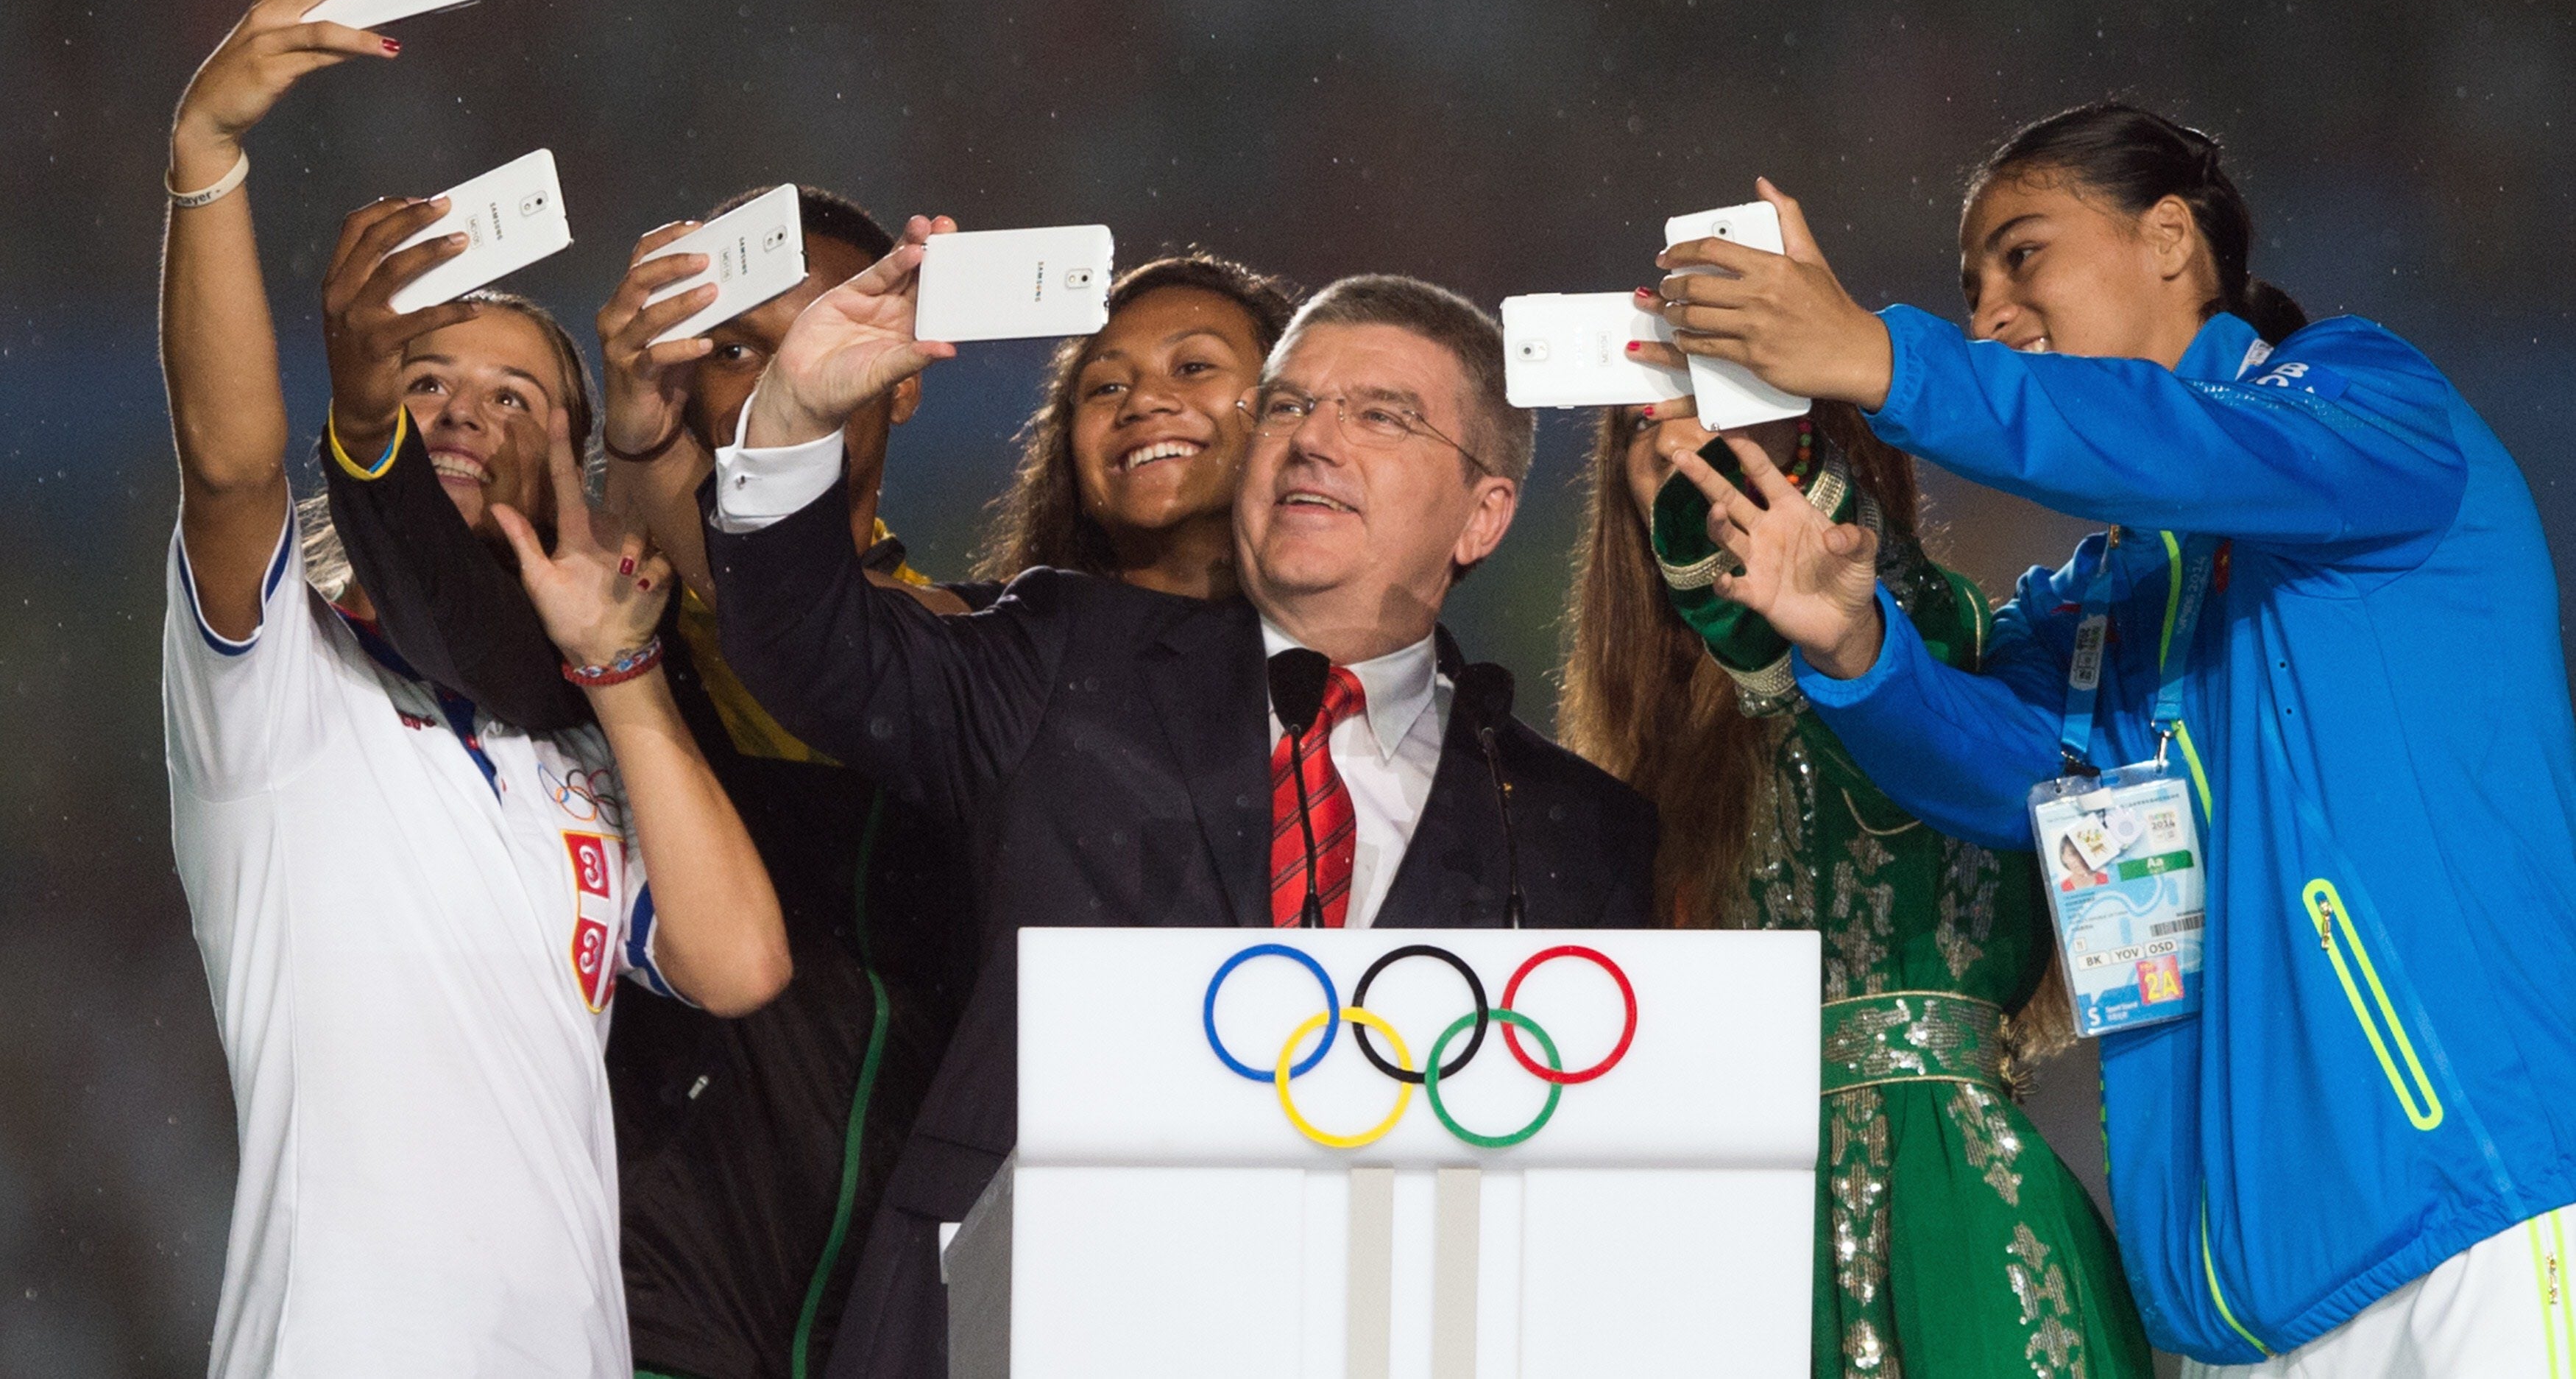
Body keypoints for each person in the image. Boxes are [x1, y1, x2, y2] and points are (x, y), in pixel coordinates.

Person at [1643, 107, 2576, 1375]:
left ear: (2173, 239)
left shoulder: (2370, 408)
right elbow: (2001, 776)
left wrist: (1884, 359)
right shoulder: (2100, 597)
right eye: (1967, 293)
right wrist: (1852, 642)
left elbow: (2183, 442)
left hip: (2464, 1215)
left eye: (2024, 256)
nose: (1991, 313)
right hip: (2231, 1298)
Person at [706, 247, 1660, 1379]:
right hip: (1022, 1324)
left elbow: (1581, 1193)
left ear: (1483, 516)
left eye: (1383, 416)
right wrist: (797, 413)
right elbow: (811, 647)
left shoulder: (1572, 833)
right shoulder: (1064, 658)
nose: (1313, 436)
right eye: (1292, 403)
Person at [159, 0, 790, 1378]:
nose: (456, 410)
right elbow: (230, 465)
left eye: (510, 392)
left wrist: (622, 679)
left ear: (565, 460)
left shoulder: (574, 749)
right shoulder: (273, 690)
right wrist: (208, 157)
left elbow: (739, 960)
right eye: (423, 377)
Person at [323, 183, 977, 1379]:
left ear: (907, 372)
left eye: (820, 332)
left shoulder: (988, 657)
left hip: (906, 1324)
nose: (786, 374)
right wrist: (375, 424)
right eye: (729, 349)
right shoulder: (618, 632)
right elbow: (443, 614)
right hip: (648, 1321)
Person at [1558, 397, 2153, 1378]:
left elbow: (1874, 633)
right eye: (1640, 425)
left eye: (1711, 400)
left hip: (1955, 1195)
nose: (1676, 440)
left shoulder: (1940, 633)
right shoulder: (1641, 741)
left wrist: (1828, 587)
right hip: (1735, 1223)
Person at [973, 250, 1297, 596]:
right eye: (1108, 387)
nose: (1141, 400)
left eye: (1193, 368)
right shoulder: (1012, 628)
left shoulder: (1352, 633)